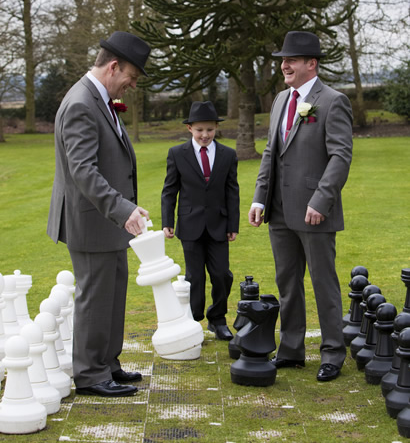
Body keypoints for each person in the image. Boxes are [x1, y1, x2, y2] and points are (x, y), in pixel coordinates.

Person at [47, 31, 151, 397]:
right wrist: (122, 209)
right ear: (113, 66)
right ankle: (91, 375)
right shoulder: (80, 103)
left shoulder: (98, 99)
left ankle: (108, 363)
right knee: (95, 296)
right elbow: (84, 171)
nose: (131, 86)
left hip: (107, 221)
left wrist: (126, 207)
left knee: (113, 291)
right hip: (90, 219)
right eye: (131, 78)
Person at [248, 31, 353, 382]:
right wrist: (259, 198)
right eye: (282, 59)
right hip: (278, 211)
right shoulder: (280, 100)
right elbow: (270, 151)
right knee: (288, 282)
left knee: (324, 283)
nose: (284, 65)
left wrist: (321, 200)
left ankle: (333, 353)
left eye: (291, 59)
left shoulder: (333, 100)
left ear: (312, 63)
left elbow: (340, 156)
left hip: (314, 210)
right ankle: (291, 349)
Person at [161, 101, 240, 341]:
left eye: (209, 129)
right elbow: (169, 189)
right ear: (190, 129)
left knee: (221, 274)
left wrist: (232, 225)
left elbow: (232, 191)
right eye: (199, 130)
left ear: (216, 127)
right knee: (194, 276)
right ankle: (193, 320)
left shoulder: (228, 154)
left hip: (219, 225)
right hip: (190, 224)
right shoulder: (177, 153)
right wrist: (168, 220)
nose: (205, 135)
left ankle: (217, 319)